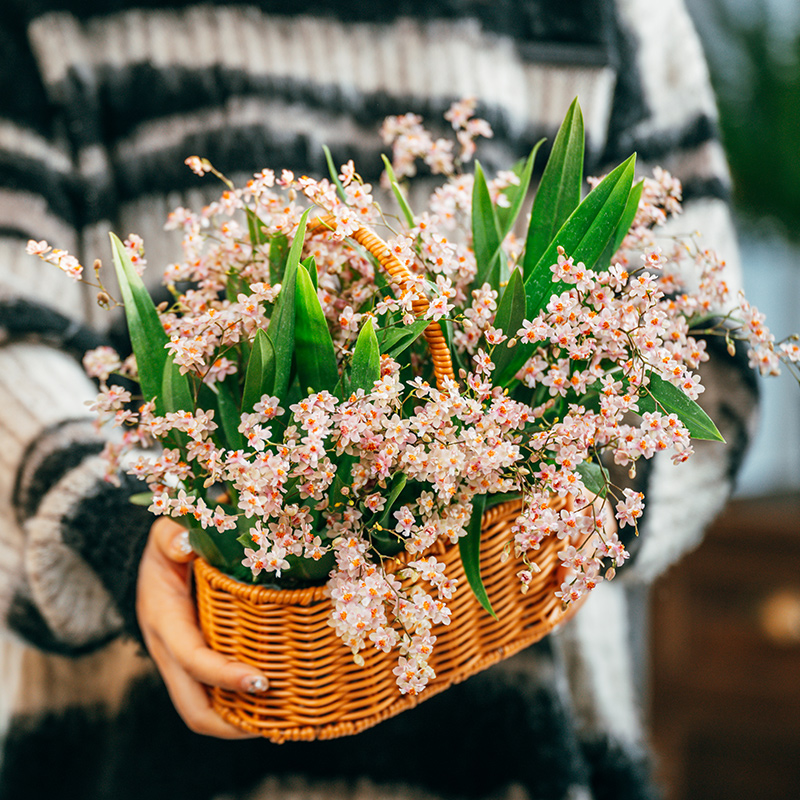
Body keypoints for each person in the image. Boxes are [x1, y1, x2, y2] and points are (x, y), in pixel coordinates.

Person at [0, 1, 757, 798]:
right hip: (132, 743)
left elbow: (707, 347)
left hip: (517, 746)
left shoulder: (613, 14)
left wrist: (562, 492)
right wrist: (120, 534)